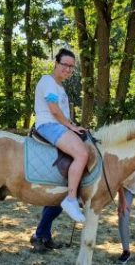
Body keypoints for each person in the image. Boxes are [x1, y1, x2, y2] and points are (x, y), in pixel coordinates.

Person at [34, 48, 89, 223]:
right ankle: (71, 199)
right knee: (82, 154)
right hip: (49, 125)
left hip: (57, 125)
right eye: (65, 64)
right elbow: (54, 111)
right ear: (56, 63)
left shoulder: (59, 87)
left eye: (72, 67)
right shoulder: (48, 82)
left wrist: (73, 126)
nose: (68, 69)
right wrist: (70, 127)